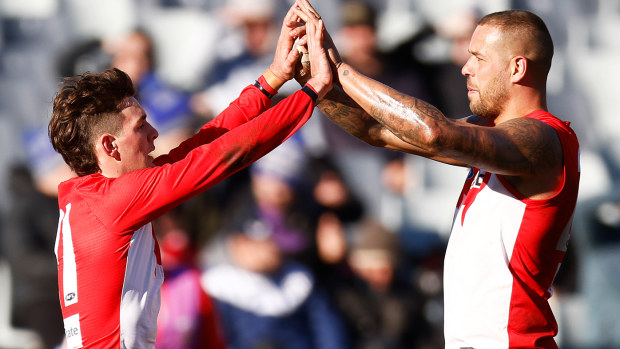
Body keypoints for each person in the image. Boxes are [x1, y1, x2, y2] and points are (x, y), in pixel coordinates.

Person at [292, 1, 580, 348]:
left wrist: (341, 69)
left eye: (479, 57)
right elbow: (374, 130)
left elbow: (433, 132)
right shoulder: (495, 135)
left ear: (517, 68)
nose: (465, 68)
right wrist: (313, 78)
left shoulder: (544, 139)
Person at [49, 4, 333, 347]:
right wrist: (313, 91)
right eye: (141, 126)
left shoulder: (95, 196)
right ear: (109, 146)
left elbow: (204, 144)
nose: (154, 134)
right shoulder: (115, 201)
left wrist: (273, 77)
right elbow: (224, 155)